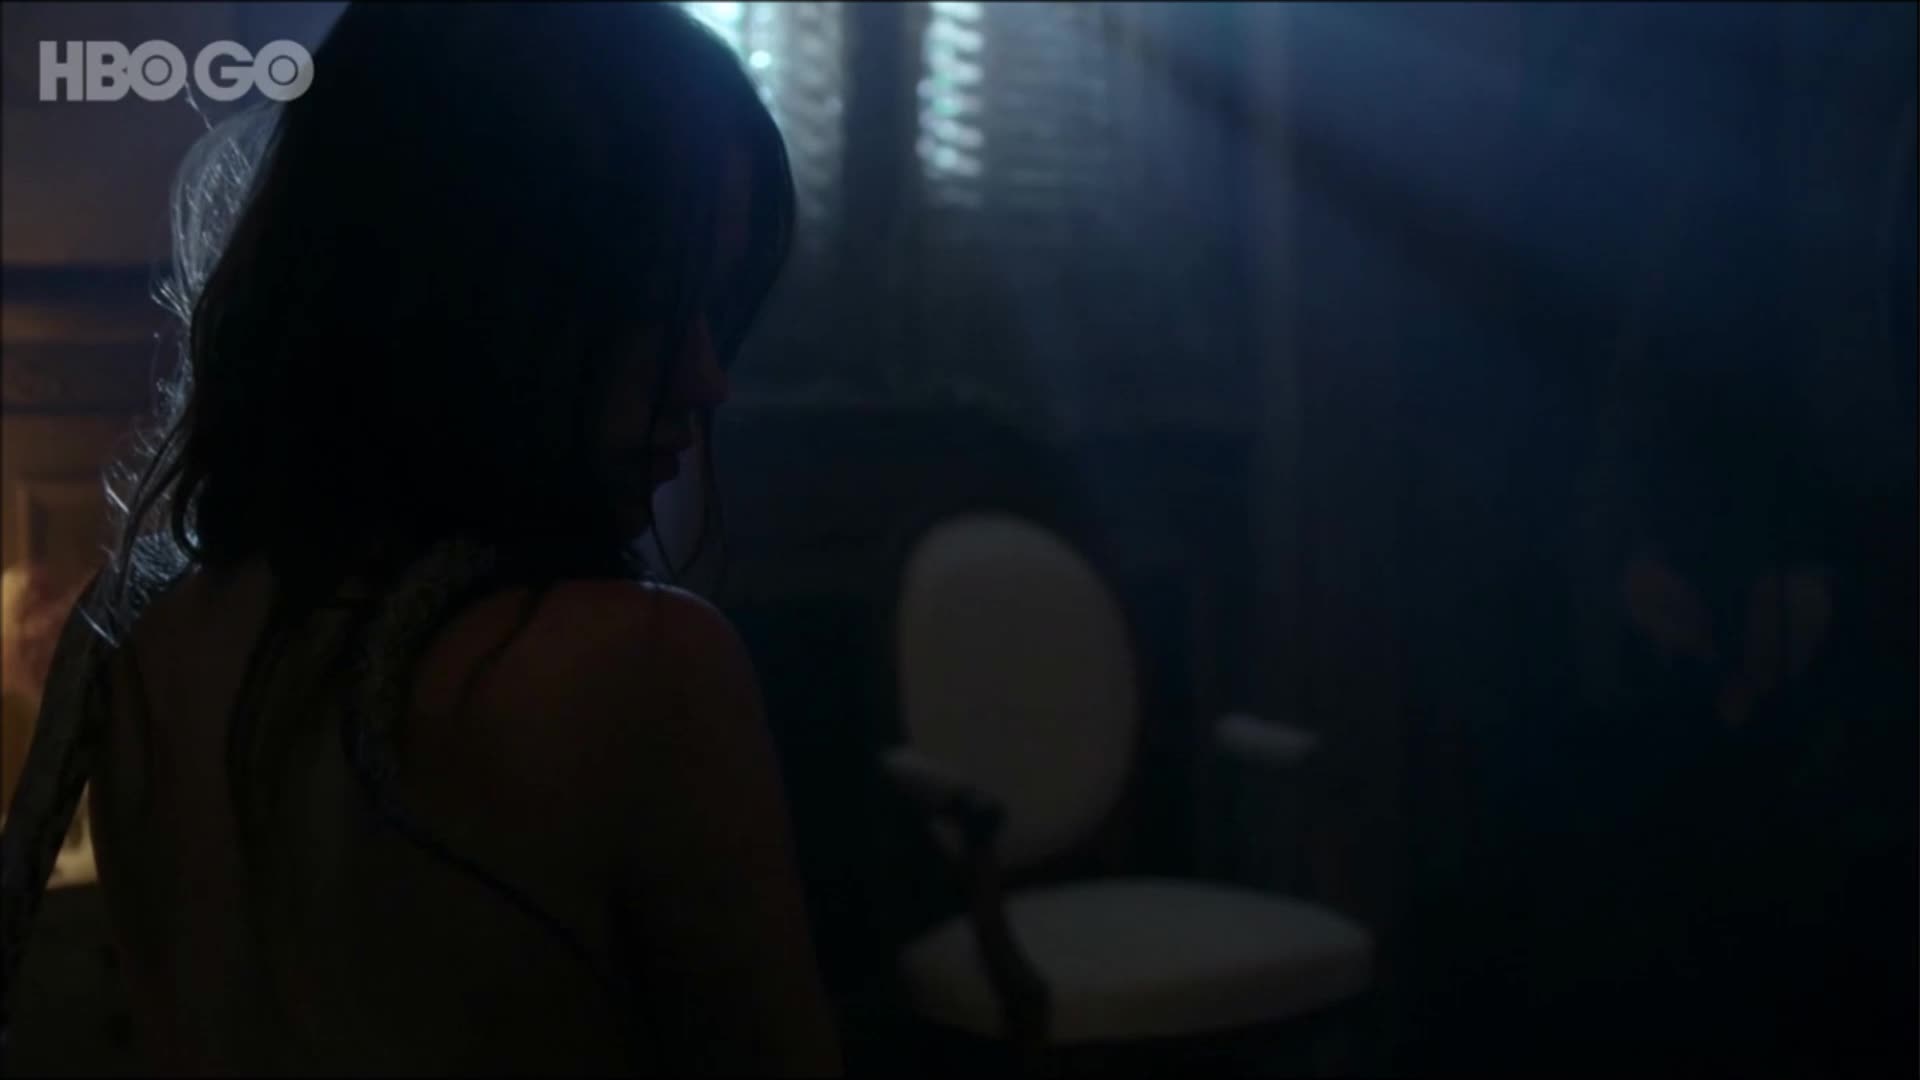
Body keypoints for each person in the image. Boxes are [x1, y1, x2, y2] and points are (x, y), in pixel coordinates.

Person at [0, 3, 842, 1073]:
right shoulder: (640, 669)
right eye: (651, 310)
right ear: (470, 292)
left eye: (716, 313)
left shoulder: (140, 651)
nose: (707, 380)